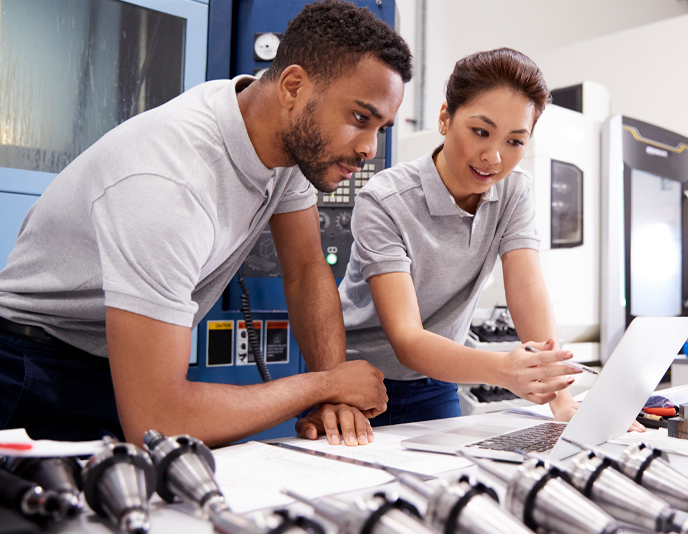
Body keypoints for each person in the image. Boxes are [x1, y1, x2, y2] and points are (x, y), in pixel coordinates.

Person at [0, 0, 412, 447]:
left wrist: (335, 394)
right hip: (31, 371)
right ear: (293, 87)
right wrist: (325, 386)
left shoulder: (284, 141)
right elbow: (157, 420)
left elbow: (306, 269)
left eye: (381, 128)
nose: (370, 148)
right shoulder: (167, 182)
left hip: (110, 364)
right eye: (359, 118)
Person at [329, 48, 647, 431]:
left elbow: (527, 288)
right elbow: (407, 338)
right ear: (446, 118)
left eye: (515, 141)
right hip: (361, 383)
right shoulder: (385, 199)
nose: (493, 157)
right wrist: (502, 369)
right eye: (481, 132)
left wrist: (561, 401)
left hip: (438, 380)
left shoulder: (513, 192)